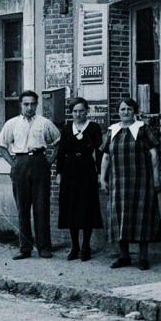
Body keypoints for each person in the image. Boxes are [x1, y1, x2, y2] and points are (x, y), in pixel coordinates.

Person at [98, 95, 161, 269]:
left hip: (141, 181)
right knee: (119, 217)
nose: (126, 112)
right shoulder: (112, 131)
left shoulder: (142, 129)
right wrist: (102, 178)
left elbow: (154, 154)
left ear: (135, 112)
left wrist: (156, 179)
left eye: (129, 109)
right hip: (118, 182)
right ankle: (123, 255)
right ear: (118, 112)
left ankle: (142, 257)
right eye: (122, 109)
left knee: (141, 217)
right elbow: (105, 156)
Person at [0, 90, 61, 259]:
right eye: (26, 104)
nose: (29, 107)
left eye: (33, 104)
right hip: (20, 164)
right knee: (22, 209)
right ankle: (25, 248)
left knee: (41, 207)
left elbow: (57, 142)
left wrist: (49, 162)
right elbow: (2, 146)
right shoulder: (12, 124)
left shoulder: (44, 123)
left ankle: (44, 247)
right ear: (21, 105)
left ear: (37, 105)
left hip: (40, 163)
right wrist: (13, 163)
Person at [54, 97, 104, 260]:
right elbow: (60, 153)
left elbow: (99, 152)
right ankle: (74, 247)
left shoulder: (94, 128)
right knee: (71, 208)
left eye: (81, 110)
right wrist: (59, 174)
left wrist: (100, 173)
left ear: (87, 111)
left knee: (87, 208)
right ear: (71, 113)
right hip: (69, 171)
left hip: (87, 170)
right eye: (75, 111)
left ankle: (86, 246)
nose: (78, 114)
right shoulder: (67, 129)